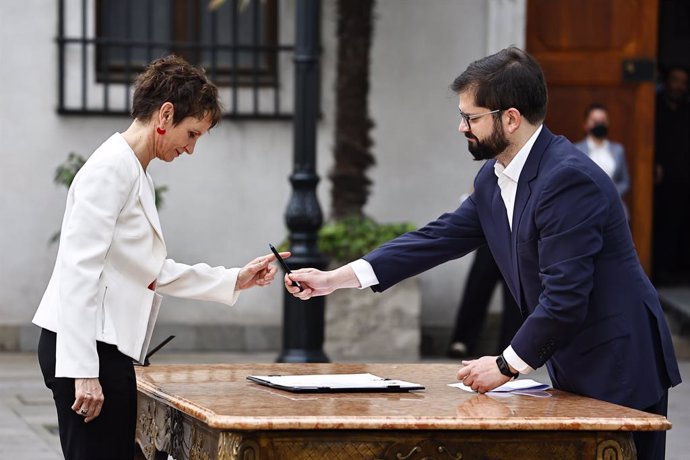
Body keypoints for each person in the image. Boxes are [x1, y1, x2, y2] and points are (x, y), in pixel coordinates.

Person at [284, 47, 681, 460]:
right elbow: (435, 239)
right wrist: (334, 279)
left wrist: (505, 366)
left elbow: (565, 300)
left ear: (510, 118)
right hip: (573, 362)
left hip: (621, 363)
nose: (461, 128)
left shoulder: (567, 180)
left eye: (471, 117)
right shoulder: (493, 180)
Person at [33, 55, 288, 460]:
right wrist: (84, 371)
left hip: (103, 347)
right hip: (89, 350)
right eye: (192, 134)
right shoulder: (112, 169)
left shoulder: (134, 170)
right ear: (165, 114)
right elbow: (77, 270)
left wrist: (234, 279)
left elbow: (150, 271)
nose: (191, 148)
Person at [447, 245, 522, 358]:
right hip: (492, 238)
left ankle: (510, 348)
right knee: (478, 284)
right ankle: (463, 340)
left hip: (519, 242)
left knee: (515, 296)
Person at [652, 66, 690, 285]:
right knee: (661, 223)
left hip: (683, 176)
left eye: (682, 82)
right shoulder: (654, 107)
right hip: (659, 178)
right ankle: (659, 271)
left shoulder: (686, 109)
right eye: (675, 80)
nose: (678, 86)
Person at [574, 103, 630, 200]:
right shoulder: (576, 150)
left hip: (613, 205)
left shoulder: (618, 150)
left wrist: (612, 193)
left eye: (603, 120)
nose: (599, 124)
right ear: (585, 124)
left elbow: (625, 182)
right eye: (595, 121)